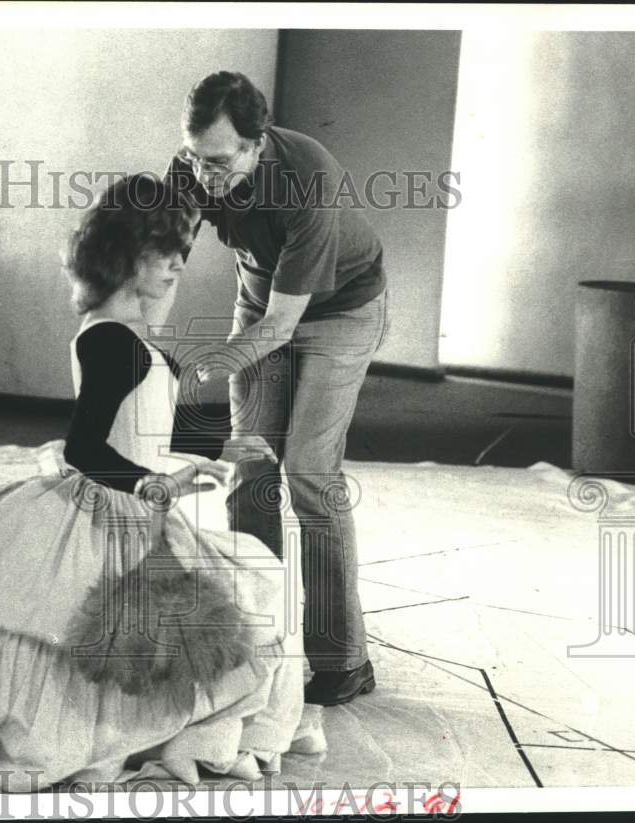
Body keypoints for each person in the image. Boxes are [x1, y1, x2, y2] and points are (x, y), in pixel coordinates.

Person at [0, 174, 324, 791]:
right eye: (167, 258)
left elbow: (137, 429)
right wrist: (158, 485)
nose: (178, 266)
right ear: (127, 260)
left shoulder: (122, 335)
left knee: (253, 582)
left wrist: (212, 447)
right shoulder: (112, 341)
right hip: (110, 513)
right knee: (252, 585)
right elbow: (86, 448)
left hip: (130, 504)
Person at [165, 71, 388, 706]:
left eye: (216, 162)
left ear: (257, 144)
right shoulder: (193, 167)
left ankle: (343, 659)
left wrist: (198, 367)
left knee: (310, 472)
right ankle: (262, 642)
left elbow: (284, 327)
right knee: (252, 464)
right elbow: (163, 259)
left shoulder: (306, 178)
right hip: (261, 299)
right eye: (192, 157)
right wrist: (139, 335)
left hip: (340, 313)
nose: (202, 176)